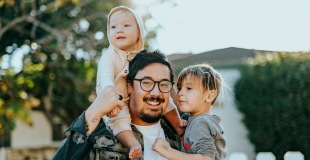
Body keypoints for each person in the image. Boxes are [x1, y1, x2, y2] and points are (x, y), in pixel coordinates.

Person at [53, 50, 188, 160]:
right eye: (146, 82)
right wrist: (94, 111)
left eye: (164, 84)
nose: (156, 92)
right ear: (129, 86)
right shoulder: (100, 138)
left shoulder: (188, 130)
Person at [96, 6, 185, 159]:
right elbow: (106, 82)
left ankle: (178, 123)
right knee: (119, 121)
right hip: (115, 103)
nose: (119, 30)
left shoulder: (141, 57)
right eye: (113, 26)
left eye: (126, 25)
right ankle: (133, 144)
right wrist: (112, 102)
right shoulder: (110, 57)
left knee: (167, 100)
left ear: (139, 33)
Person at [152, 64, 227, 160]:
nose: (180, 93)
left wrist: (168, 152)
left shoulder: (200, 123)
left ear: (209, 96)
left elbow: (207, 158)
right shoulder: (198, 120)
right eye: (179, 88)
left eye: (189, 88)